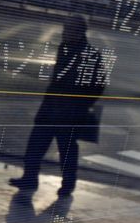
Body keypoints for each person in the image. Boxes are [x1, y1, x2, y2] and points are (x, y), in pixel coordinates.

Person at [9, 14, 105, 196]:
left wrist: (80, 105)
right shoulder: (64, 48)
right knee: (35, 145)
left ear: (79, 32)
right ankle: (30, 178)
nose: (64, 32)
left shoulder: (91, 55)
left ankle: (67, 185)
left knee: (66, 150)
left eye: (68, 29)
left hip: (70, 112)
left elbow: (98, 86)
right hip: (52, 107)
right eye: (64, 28)